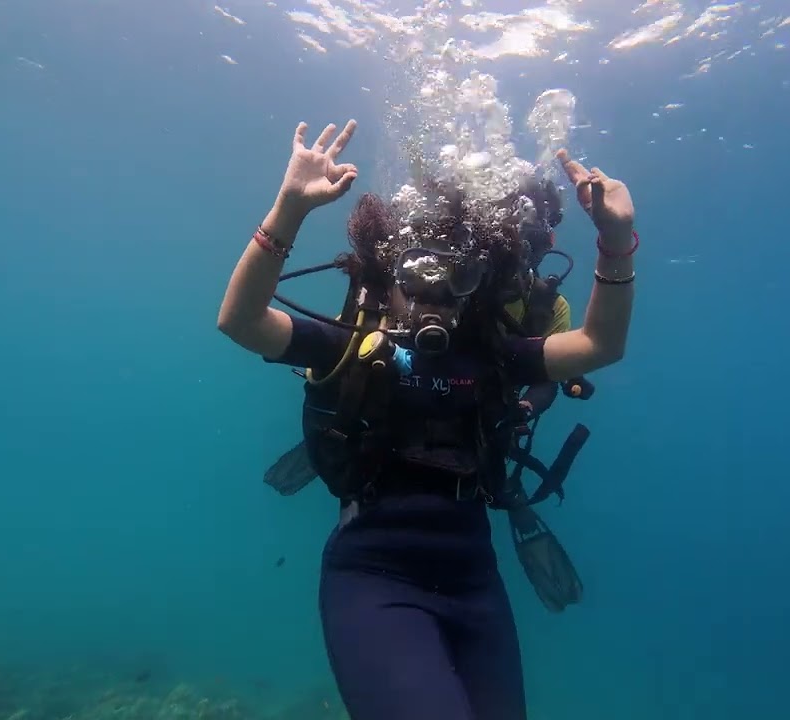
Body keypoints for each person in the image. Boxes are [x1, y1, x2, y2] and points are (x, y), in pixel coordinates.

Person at [216, 119, 638, 720]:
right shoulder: (349, 343)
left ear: (477, 289)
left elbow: (600, 344)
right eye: (415, 274)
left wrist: (616, 237)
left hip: (475, 578)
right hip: (374, 575)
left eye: (457, 277)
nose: (432, 296)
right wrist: (289, 208)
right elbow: (240, 321)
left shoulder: (493, 356)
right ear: (388, 279)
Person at [261, 173, 593, 614]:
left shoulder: (547, 306)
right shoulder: (457, 276)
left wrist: (523, 405)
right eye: (518, 231)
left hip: (478, 411)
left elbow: (557, 369)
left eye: (536, 236)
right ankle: (346, 440)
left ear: (548, 238)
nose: (525, 247)